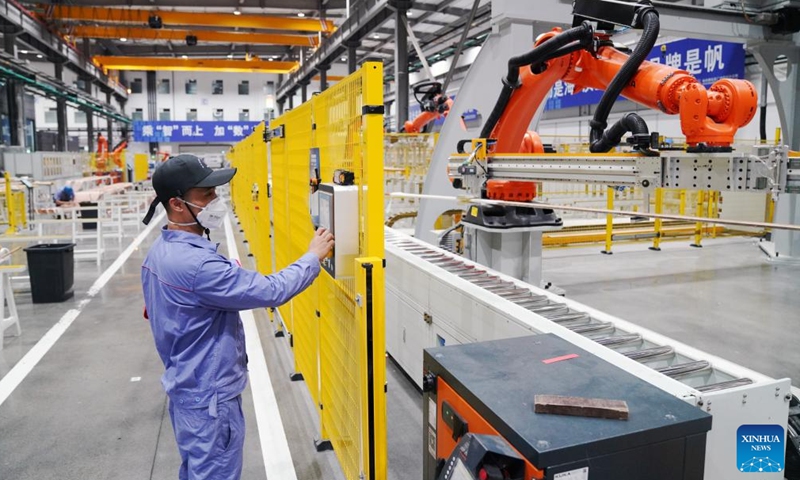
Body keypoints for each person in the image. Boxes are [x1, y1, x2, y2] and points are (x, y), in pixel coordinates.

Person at [140, 154, 334, 480]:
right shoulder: (198, 266)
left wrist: (221, 281)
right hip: (211, 402)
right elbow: (272, 290)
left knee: (196, 472)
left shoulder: (160, 253)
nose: (217, 201)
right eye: (206, 196)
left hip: (187, 391)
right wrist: (313, 257)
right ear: (176, 204)